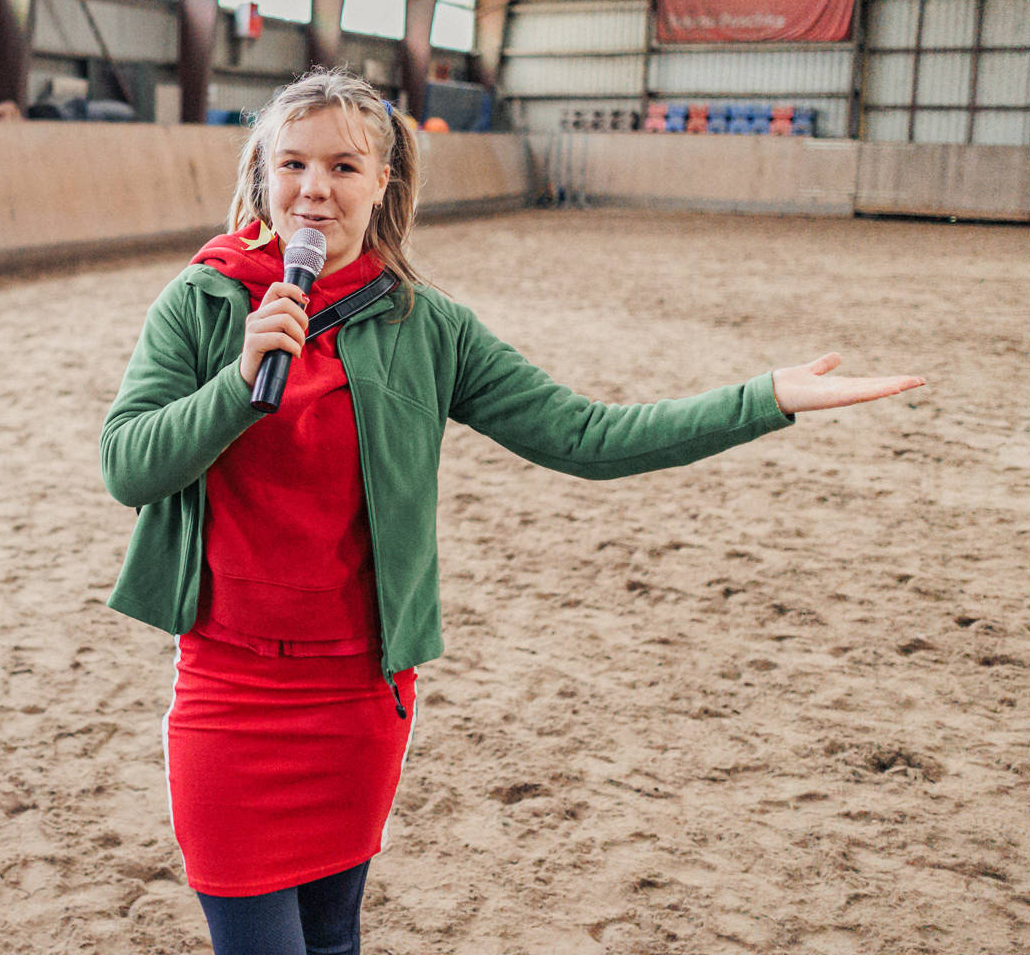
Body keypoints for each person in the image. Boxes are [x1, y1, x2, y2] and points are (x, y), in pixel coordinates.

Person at [99, 68, 924, 955]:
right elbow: (128, 465)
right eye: (292, 163)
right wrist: (236, 386)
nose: (313, 190)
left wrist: (763, 398)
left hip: (359, 693)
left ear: (385, 183)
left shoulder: (430, 327)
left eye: (343, 166)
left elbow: (586, 435)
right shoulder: (204, 300)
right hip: (232, 688)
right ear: (262, 173)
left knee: (333, 941)